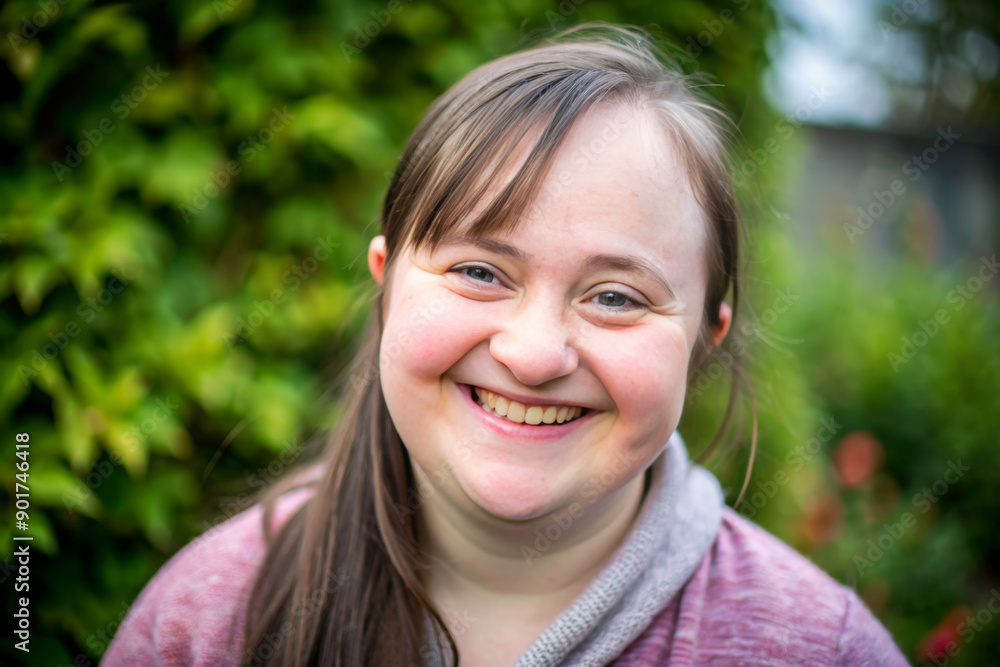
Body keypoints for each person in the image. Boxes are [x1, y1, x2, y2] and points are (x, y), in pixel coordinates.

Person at [103, 22, 910, 667]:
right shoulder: (210, 617)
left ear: (706, 340)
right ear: (388, 286)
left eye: (616, 296)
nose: (532, 353)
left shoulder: (816, 647)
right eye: (482, 271)